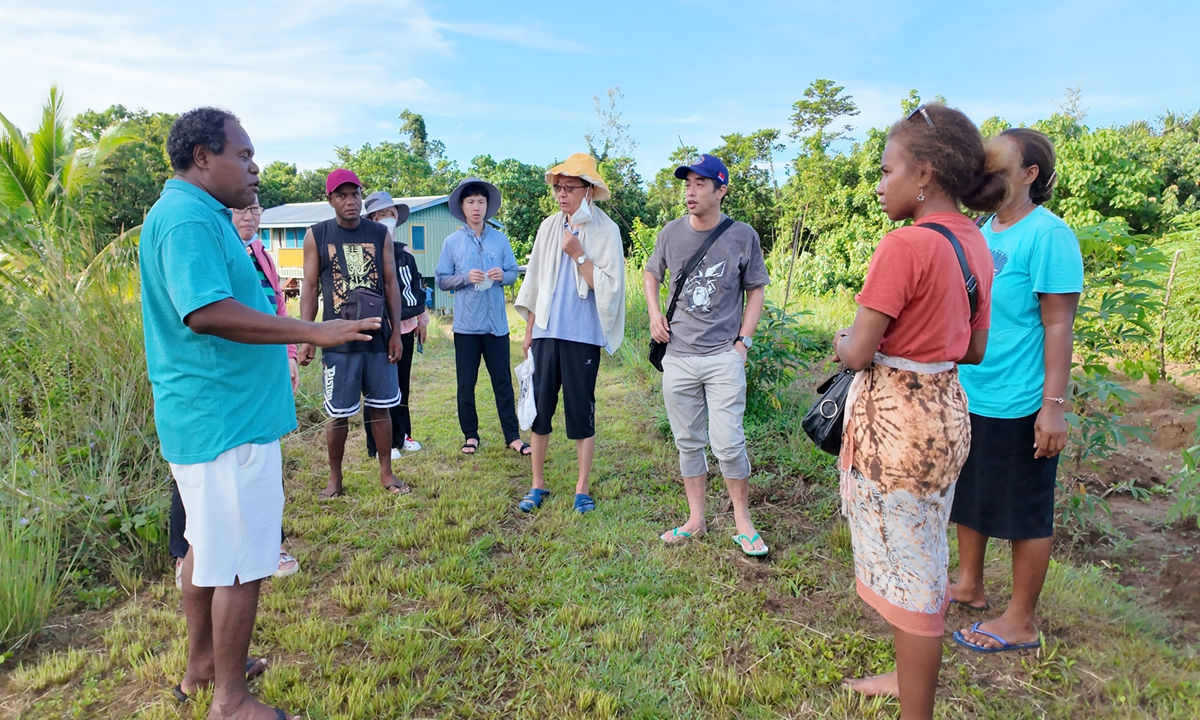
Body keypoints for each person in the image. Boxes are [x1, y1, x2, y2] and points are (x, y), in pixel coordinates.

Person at [141, 107, 377, 720]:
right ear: (202, 156)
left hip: (215, 417)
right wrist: (312, 330)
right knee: (243, 560)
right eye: (243, 155)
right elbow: (206, 312)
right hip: (225, 420)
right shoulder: (187, 219)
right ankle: (231, 701)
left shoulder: (200, 215)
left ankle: (202, 668)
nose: (254, 167)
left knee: (205, 547)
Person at [833, 103, 1004, 719]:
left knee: (914, 580)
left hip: (897, 428)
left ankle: (916, 709)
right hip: (947, 413)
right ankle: (905, 677)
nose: (880, 185)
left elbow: (856, 352)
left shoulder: (903, 247)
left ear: (925, 174)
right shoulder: (977, 246)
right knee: (922, 556)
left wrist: (840, 342)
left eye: (886, 170)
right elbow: (976, 348)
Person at [949, 129, 1083, 654]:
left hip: (1020, 398)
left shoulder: (1047, 236)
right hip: (972, 390)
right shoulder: (984, 230)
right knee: (969, 492)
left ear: (1029, 175)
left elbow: (1058, 327)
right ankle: (970, 584)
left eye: (1000, 168)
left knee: (1025, 508)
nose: (988, 176)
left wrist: (1053, 409)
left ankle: (1021, 620)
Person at [170, 197, 299, 592]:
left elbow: (275, 306)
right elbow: (207, 314)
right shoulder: (202, 239)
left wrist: (289, 354)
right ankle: (185, 553)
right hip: (218, 396)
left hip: (259, 387)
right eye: (241, 209)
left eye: (256, 209)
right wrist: (313, 331)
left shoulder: (262, 254)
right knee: (205, 501)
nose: (249, 215)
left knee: (260, 481)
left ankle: (267, 546)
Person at [644, 154, 770, 556]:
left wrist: (742, 343)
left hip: (722, 357)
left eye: (700, 184)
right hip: (678, 356)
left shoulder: (742, 235)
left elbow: (756, 289)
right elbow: (651, 273)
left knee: (729, 443)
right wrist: (652, 315)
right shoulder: (670, 233)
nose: (690, 191)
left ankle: (743, 522)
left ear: (721, 190)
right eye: (686, 184)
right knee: (687, 442)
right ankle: (695, 520)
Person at [515, 153, 627, 514]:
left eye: (569, 187)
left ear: (589, 191)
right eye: (557, 187)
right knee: (539, 411)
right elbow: (533, 282)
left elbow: (610, 289)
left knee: (581, 412)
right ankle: (537, 485)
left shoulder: (606, 231)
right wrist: (530, 330)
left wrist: (580, 255)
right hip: (547, 330)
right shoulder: (548, 227)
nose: (561, 194)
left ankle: (582, 489)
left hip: (583, 335)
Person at [297, 170, 411, 498]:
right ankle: (335, 478)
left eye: (355, 194)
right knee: (338, 414)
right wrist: (308, 335)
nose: (351, 201)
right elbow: (310, 286)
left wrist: (394, 333)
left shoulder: (379, 234)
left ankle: (387, 473)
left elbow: (391, 284)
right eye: (342, 195)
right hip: (337, 340)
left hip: (377, 336)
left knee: (382, 408)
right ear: (330, 199)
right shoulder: (317, 235)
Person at [435, 177, 529, 456]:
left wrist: (504, 275)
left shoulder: (500, 239)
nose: (476, 207)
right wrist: (464, 278)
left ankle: (512, 436)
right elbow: (441, 279)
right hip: (466, 326)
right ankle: (470, 435)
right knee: (466, 382)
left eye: (481, 202)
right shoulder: (452, 242)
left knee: (503, 381)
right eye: (471, 202)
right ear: (462, 207)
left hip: (496, 325)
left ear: (487, 207)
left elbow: (514, 272)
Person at [360, 190, 429, 461]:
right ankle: (378, 444)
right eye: (381, 215)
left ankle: (402, 435)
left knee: (402, 383)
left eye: (390, 214)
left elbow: (416, 287)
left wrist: (422, 320)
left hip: (406, 327)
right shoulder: (366, 250)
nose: (387, 219)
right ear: (371, 219)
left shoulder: (404, 252)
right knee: (378, 387)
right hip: (379, 328)